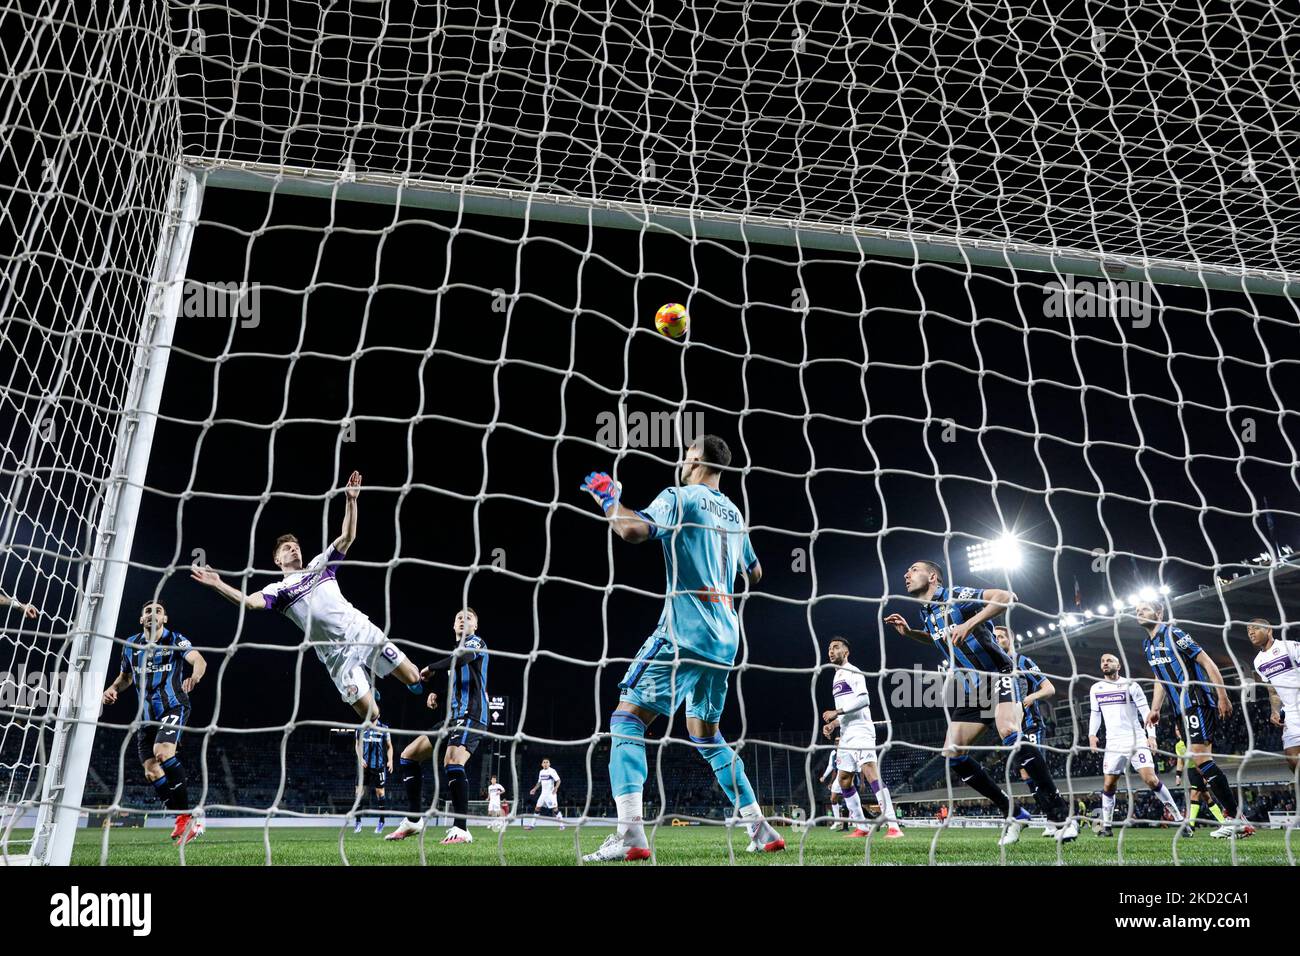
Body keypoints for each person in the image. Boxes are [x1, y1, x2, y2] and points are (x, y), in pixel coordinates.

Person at [577, 436, 783, 863]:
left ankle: (630, 833)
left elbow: (632, 530)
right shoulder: (735, 513)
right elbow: (756, 572)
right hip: (726, 637)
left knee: (627, 718)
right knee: (705, 734)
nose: (681, 458)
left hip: (684, 630)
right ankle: (759, 827)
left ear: (696, 459)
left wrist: (608, 499)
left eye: (686, 452)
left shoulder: (680, 496)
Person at [191, 470, 427, 722]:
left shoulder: (320, 565)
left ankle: (422, 690)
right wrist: (218, 584)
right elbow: (248, 602)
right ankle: (369, 689)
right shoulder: (278, 590)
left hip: (362, 632)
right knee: (372, 715)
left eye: (296, 546)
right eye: (287, 548)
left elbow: (348, 536)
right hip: (336, 656)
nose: (293, 549)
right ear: (277, 559)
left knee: (413, 677)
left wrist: (351, 500)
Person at [885, 560, 1074, 845]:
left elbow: (1006, 597)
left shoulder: (955, 596)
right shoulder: (927, 614)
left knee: (1009, 731)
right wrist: (910, 633)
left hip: (998, 674)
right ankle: (1014, 812)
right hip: (973, 690)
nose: (906, 574)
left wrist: (971, 622)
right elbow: (939, 639)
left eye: (912, 569)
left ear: (932, 576)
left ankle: (1059, 815)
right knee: (953, 754)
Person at [1135, 601, 1252, 838]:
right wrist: (1155, 708)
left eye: (1145, 609)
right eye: (1137, 610)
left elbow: (1206, 661)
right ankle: (1235, 818)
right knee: (1199, 762)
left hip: (1196, 700)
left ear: (1159, 614)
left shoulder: (1174, 633)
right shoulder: (1147, 645)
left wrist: (1222, 695)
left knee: (1201, 757)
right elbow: (1160, 679)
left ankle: (1235, 817)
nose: (1139, 612)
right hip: (1178, 709)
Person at [101, 601, 207, 845]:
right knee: (151, 772)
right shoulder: (131, 646)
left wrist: (195, 676)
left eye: (158, 611)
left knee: (162, 753)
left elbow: (198, 659)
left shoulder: (176, 639)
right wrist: (113, 689)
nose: (152, 614)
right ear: (142, 619)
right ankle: (185, 817)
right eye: (148, 611)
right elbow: (125, 677)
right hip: (145, 718)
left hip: (173, 705)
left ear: (164, 619)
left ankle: (185, 819)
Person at [386, 608, 483, 844]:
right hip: (451, 718)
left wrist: (431, 668)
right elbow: (456, 680)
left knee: (452, 761)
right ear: (453, 625)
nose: (463, 620)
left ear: (475, 627)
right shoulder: (454, 654)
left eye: (468, 618)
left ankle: (461, 828)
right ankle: (413, 820)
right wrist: (437, 695)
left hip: (472, 714)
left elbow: (463, 659)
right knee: (408, 755)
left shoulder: (475, 643)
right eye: (459, 617)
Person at [1087, 653, 1183, 836]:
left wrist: (1151, 736)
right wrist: (1092, 735)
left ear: (1119, 665)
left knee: (1151, 780)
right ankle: (1106, 827)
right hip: (1113, 743)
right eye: (1102, 661)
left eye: (1109, 660)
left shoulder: (1131, 685)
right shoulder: (1096, 688)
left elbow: (1146, 711)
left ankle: (1179, 820)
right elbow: (1095, 714)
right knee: (1108, 785)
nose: (1105, 663)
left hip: (1136, 739)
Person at [820, 637, 902, 838]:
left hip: (861, 731)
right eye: (829, 648)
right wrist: (833, 724)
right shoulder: (836, 676)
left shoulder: (853, 671)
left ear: (846, 652)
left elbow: (864, 699)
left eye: (836, 647)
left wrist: (836, 712)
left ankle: (893, 826)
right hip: (847, 733)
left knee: (870, 772)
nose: (831, 651)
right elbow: (848, 710)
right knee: (844, 780)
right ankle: (862, 826)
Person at [1246, 618, 1300, 771]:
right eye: (1248, 630)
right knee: (1292, 761)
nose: (1251, 632)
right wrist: (1275, 711)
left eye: (1255, 628)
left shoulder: (1290, 647)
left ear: (1268, 629)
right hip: (1290, 714)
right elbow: (1273, 691)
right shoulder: (1258, 662)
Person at [354, 712, 392, 834]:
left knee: (380, 792)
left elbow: (389, 746)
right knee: (359, 792)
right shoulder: (360, 728)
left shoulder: (384, 728)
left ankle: (381, 821)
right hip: (363, 766)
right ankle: (358, 822)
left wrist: (390, 760)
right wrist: (360, 758)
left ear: (379, 714)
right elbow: (357, 745)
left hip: (378, 766)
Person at [528, 759, 565, 830]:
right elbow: (539, 782)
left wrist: (556, 788)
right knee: (537, 808)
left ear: (549, 764)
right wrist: (534, 789)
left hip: (551, 794)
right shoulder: (541, 772)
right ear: (542, 764)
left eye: (547, 762)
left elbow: (558, 780)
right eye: (544, 762)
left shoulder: (552, 771)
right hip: (543, 794)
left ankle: (562, 825)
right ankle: (532, 825)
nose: (545, 763)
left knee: (555, 810)